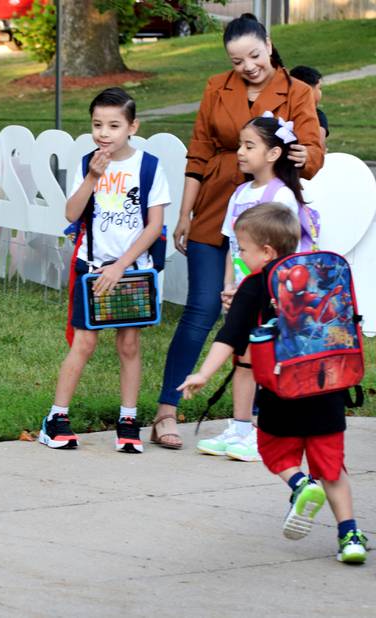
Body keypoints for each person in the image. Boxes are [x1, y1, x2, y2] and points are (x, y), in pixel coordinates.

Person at [154, 13, 324, 448]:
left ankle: (261, 419)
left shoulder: (298, 92)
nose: (247, 66)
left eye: (254, 55)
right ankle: (166, 411)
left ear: (268, 44)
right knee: (203, 308)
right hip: (217, 210)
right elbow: (198, 151)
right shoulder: (217, 87)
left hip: (271, 218)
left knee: (270, 318)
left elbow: (314, 154)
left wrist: (303, 154)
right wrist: (185, 214)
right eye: (236, 60)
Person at [179, 203, 367, 565]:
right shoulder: (318, 272)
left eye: (243, 249)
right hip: (329, 387)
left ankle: (299, 485)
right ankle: (350, 536)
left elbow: (229, 337)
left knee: (274, 452)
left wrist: (203, 373)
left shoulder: (256, 284)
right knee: (332, 467)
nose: (240, 256)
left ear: (266, 251)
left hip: (284, 391)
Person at [39, 87, 169, 453]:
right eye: (98, 125)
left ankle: (128, 419)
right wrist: (93, 177)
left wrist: (122, 266)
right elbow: (71, 212)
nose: (104, 133)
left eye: (114, 125)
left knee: (129, 344)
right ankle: (56, 418)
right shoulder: (86, 163)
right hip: (92, 268)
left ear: (132, 126)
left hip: (132, 271)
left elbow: (153, 226)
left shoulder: (149, 166)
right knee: (84, 342)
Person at [197, 113, 304, 462]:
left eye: (249, 145)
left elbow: (285, 254)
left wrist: (261, 292)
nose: (240, 152)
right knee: (241, 361)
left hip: (271, 295)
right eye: (240, 145)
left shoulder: (282, 195)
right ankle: (240, 427)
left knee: (260, 361)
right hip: (244, 292)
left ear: (273, 153)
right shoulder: (241, 192)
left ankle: (268, 434)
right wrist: (230, 287)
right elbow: (232, 246)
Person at [289, 65, 328, 151]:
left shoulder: (283, 109)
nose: (320, 93)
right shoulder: (317, 116)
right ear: (308, 90)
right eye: (319, 88)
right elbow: (318, 147)